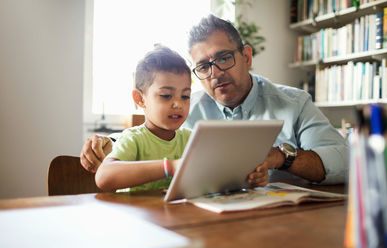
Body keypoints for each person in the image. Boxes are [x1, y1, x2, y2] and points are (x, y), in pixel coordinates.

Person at [82, 15, 348, 185]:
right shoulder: (186, 108)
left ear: (246, 57)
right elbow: (151, 138)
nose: (216, 73)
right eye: (203, 66)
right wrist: (108, 143)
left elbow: (343, 162)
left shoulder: (295, 103)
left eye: (224, 58)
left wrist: (280, 158)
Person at [94, 45, 268, 192]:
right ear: (140, 99)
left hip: (179, 220)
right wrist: (170, 167)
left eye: (185, 97)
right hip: (140, 222)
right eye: (166, 95)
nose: (178, 104)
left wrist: (250, 176)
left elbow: (216, 177)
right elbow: (104, 177)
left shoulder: (191, 139)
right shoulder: (133, 139)